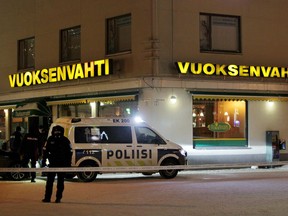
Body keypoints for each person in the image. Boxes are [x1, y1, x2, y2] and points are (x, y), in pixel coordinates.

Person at [41, 125, 72, 203]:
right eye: (55, 131)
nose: (57, 133)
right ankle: (47, 198)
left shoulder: (65, 140)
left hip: (62, 164)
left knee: (60, 182)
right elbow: (45, 151)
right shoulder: (50, 139)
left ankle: (58, 198)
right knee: (49, 182)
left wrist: (68, 164)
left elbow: (69, 153)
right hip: (52, 164)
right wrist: (44, 161)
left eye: (58, 131)